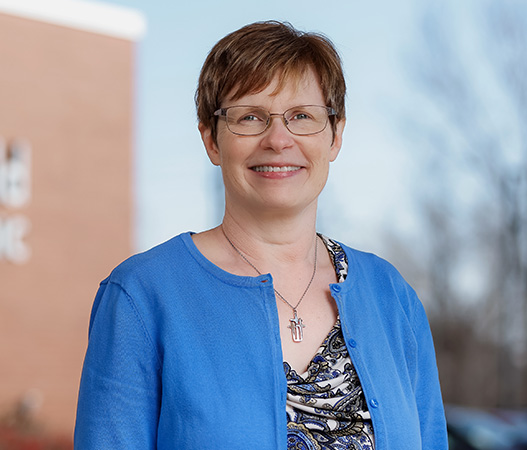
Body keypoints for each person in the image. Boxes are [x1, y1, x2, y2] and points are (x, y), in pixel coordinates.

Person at [74, 21, 447, 449]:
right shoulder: (141, 296)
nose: (278, 139)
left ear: (335, 136)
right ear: (211, 139)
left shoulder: (391, 297)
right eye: (250, 117)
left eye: (302, 116)